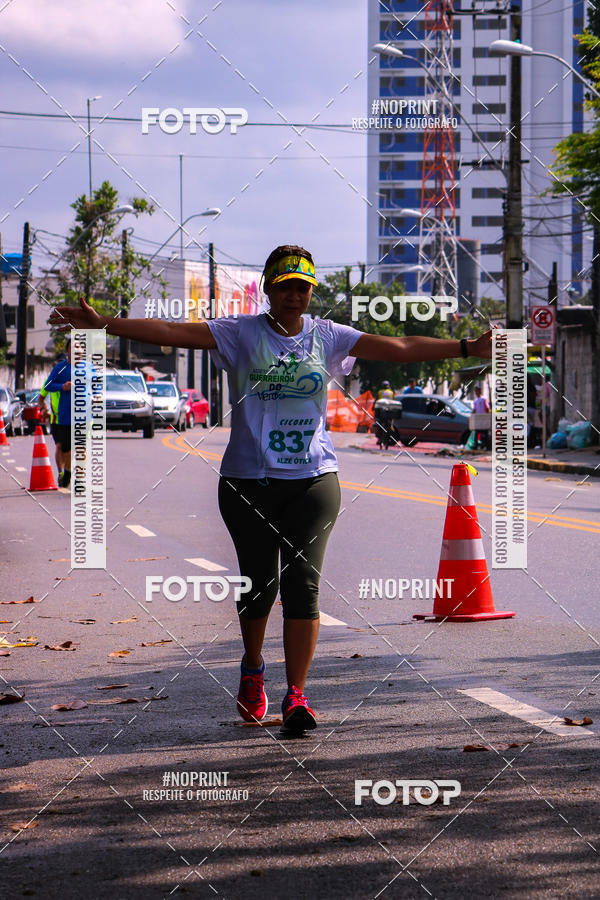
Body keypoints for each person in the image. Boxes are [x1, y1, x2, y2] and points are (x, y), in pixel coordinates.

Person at [49, 244, 492, 733]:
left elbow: (400, 346)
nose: (294, 296)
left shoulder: (328, 336)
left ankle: (297, 695)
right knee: (260, 587)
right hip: (248, 483)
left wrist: (469, 348)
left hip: (314, 481)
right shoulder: (240, 334)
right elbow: (174, 331)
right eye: (285, 287)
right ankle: (254, 666)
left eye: (303, 287)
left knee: (304, 587)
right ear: (269, 289)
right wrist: (106, 325)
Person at [40, 340, 72, 487]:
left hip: (70, 417)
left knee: (71, 447)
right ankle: (61, 472)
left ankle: (68, 471)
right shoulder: (52, 380)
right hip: (55, 418)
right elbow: (41, 397)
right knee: (59, 446)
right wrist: (43, 408)